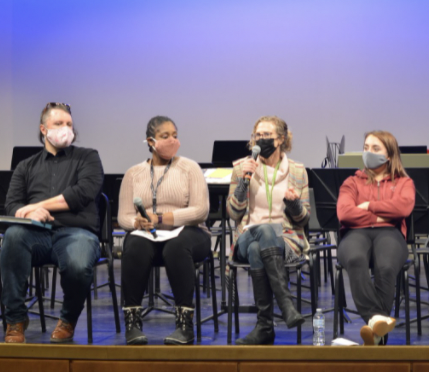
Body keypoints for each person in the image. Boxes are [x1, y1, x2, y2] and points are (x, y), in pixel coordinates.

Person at [0, 102, 104, 343]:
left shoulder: (88, 157)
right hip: (35, 234)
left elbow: (82, 193)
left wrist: (38, 206)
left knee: (79, 263)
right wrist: (27, 214)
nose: (65, 128)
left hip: (76, 231)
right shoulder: (26, 166)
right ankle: (15, 319)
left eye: (69, 124)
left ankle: (68, 319)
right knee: (13, 236)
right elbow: (12, 204)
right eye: (58, 124)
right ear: (43, 129)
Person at [118, 116, 210, 345]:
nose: (172, 140)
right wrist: (137, 223)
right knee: (134, 245)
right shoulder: (133, 173)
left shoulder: (190, 168)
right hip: (150, 236)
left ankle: (184, 325)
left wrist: (160, 218)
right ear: (151, 141)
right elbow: (123, 217)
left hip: (190, 233)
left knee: (177, 247)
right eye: (165, 136)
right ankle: (132, 323)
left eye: (175, 135)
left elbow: (200, 211)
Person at [227, 115, 310, 345]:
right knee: (262, 232)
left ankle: (264, 326)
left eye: (266, 135)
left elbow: (303, 220)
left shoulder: (297, 171)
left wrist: (293, 204)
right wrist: (244, 180)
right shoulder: (240, 167)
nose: (260, 140)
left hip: (285, 240)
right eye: (257, 135)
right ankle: (285, 304)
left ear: (281, 139)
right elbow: (233, 213)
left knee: (257, 249)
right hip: (246, 235)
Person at [336, 130, 415, 346]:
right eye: (366, 147)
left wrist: (369, 206)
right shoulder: (352, 182)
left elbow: (403, 208)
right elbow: (344, 213)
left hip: (391, 234)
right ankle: (377, 322)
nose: (368, 152)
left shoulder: (403, 182)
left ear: (389, 155)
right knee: (354, 260)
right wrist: (381, 216)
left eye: (375, 148)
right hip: (354, 233)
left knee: (387, 266)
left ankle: (376, 330)